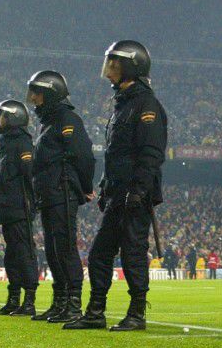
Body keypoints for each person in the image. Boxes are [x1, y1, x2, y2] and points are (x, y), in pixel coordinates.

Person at [65, 40, 167, 332]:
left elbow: (151, 153)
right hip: (117, 193)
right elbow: (115, 155)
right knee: (99, 254)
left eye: (115, 63)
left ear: (132, 67)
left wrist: (139, 190)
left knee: (133, 253)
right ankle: (95, 312)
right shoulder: (123, 105)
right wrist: (106, 186)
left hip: (134, 195)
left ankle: (137, 313)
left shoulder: (146, 105)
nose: (109, 69)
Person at [27, 70, 96, 323]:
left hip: (62, 191)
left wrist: (85, 187)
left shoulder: (68, 119)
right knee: (53, 249)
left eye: (37, 93)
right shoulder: (49, 123)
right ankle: (60, 303)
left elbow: (84, 156)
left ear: (50, 94)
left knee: (65, 248)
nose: (33, 98)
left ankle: (73, 304)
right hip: (50, 193)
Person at [0, 100, 38, 316]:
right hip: (9, 209)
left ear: (14, 119)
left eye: (3, 117)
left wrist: (31, 205)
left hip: (19, 208)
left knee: (24, 253)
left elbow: (29, 175)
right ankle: (14, 299)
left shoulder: (22, 143)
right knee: (12, 255)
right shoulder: (8, 144)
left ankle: (29, 301)